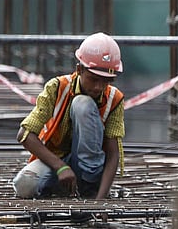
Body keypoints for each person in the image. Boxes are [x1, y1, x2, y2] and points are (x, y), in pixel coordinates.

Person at [12, 32, 125, 200]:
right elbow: (25, 135)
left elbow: (113, 153)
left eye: (106, 81)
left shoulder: (114, 99)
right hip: (56, 160)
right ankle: (67, 188)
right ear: (79, 69)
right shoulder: (57, 87)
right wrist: (60, 167)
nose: (99, 87)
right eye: (94, 79)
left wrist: (100, 200)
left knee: (83, 105)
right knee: (24, 184)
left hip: (92, 172)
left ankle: (88, 188)